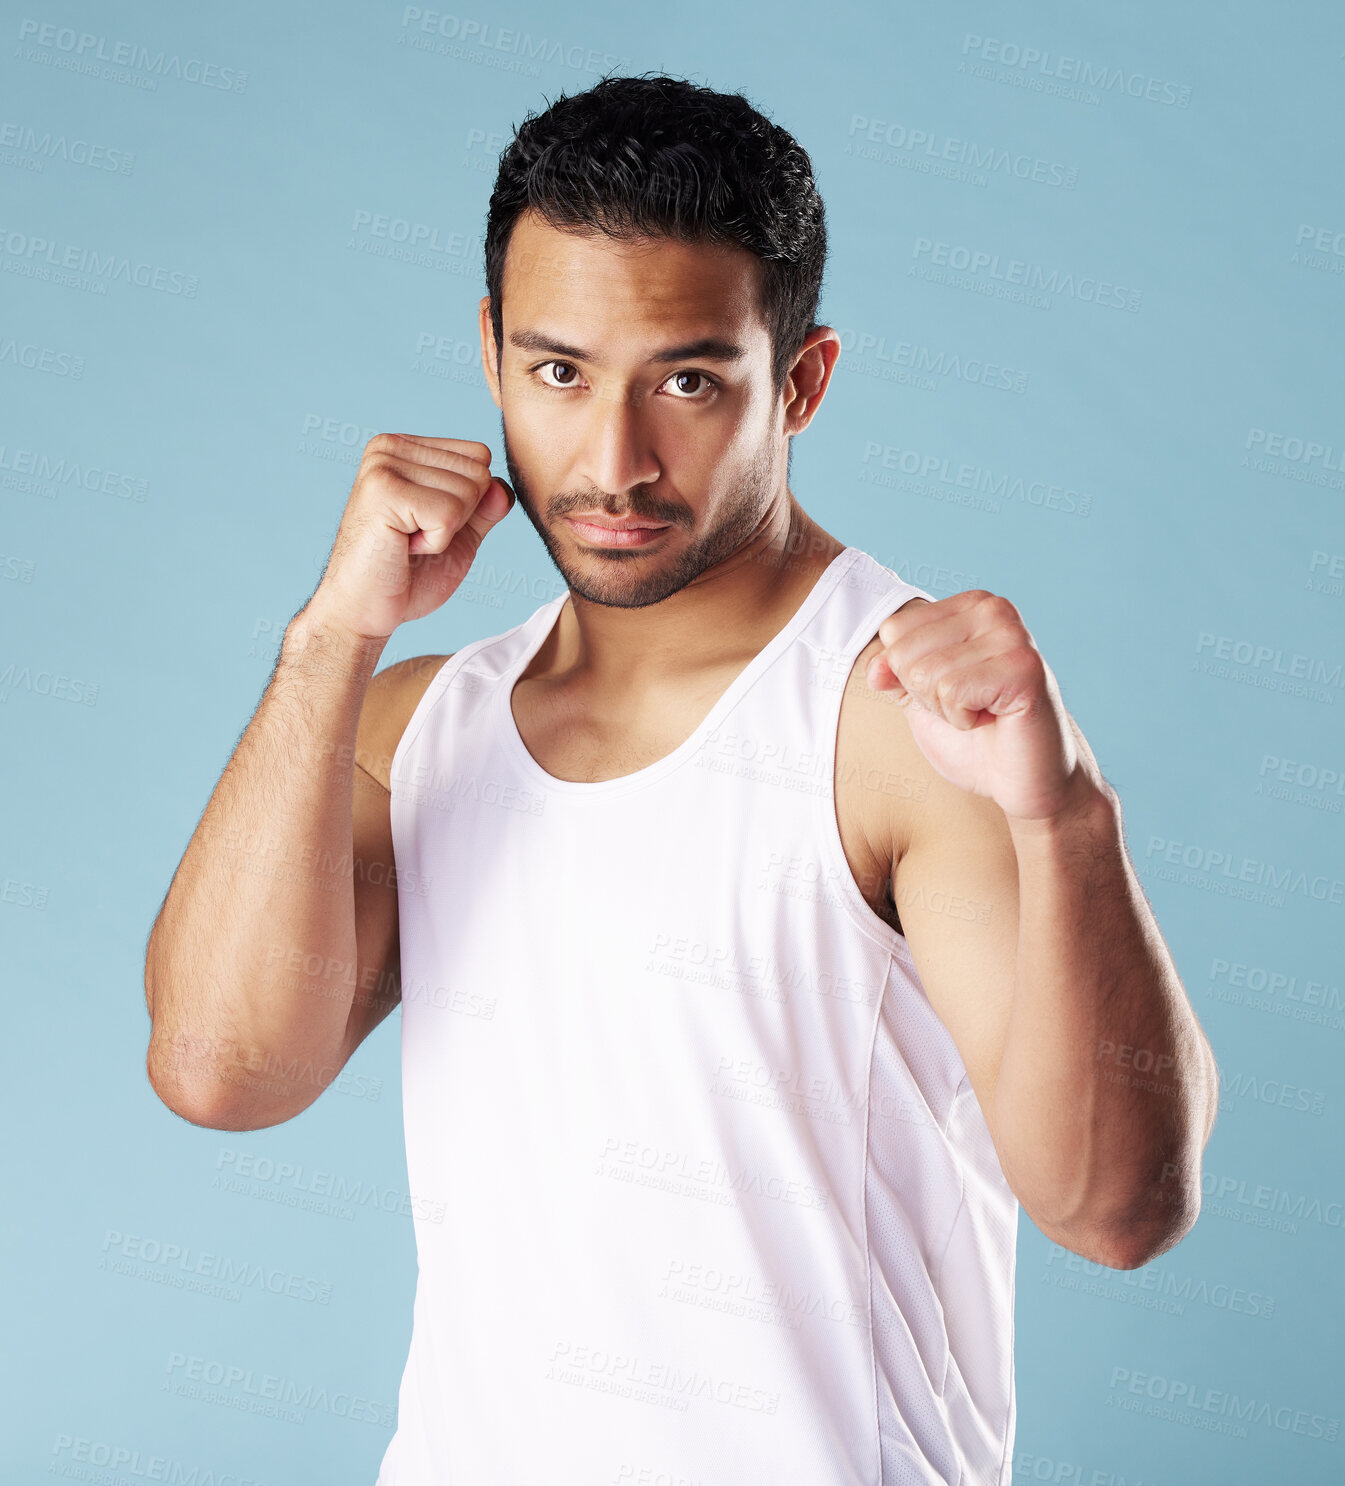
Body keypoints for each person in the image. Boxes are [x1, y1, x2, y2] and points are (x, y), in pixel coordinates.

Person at [144, 72, 1219, 1486]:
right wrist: (328, 637)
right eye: (559, 371)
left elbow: (1113, 1206)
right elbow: (220, 1075)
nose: (612, 460)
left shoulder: (900, 726)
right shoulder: (411, 724)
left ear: (803, 381)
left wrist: (1063, 817)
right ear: (489, 353)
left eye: (690, 380)